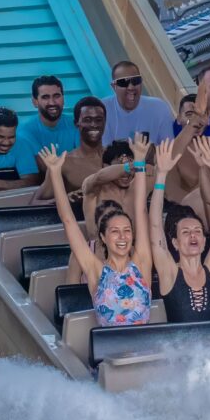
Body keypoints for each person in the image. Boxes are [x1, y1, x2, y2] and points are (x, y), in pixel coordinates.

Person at [40, 137, 154, 326]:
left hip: (143, 348)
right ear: (103, 237)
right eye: (115, 231)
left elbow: (141, 208)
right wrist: (55, 172)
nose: (123, 236)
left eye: (127, 230)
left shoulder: (142, 262)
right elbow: (68, 221)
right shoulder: (95, 270)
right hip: (110, 349)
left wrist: (140, 162)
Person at [148, 135, 210, 322]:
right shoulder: (169, 272)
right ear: (174, 243)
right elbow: (155, 224)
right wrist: (161, 175)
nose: (193, 235)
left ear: (204, 241)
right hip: (181, 351)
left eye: (198, 231)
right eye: (186, 232)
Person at [102, 59, 177, 148]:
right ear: (114, 86)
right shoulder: (102, 109)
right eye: (123, 82)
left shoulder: (159, 107)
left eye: (136, 81)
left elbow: (169, 149)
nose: (130, 87)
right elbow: (103, 154)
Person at [56, 96, 111, 199]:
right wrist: (66, 198)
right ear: (76, 123)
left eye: (98, 120)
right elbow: (36, 202)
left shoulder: (116, 156)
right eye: (87, 120)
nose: (94, 125)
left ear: (105, 122)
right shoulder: (63, 163)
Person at [15, 75, 76, 161]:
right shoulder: (24, 130)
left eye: (56, 96)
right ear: (35, 101)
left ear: (63, 98)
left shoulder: (76, 124)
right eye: (45, 97)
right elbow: (43, 166)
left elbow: (85, 160)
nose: (52, 102)